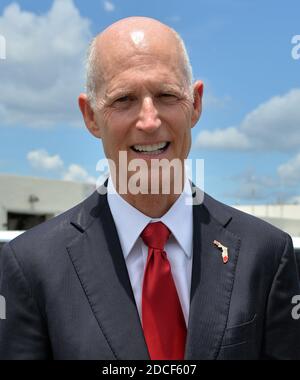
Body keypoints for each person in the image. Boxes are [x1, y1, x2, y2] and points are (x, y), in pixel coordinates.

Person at [0, 17, 299, 360]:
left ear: (196, 104)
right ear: (91, 116)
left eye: (166, 95)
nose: (149, 121)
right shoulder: (32, 266)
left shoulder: (265, 254)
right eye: (124, 99)